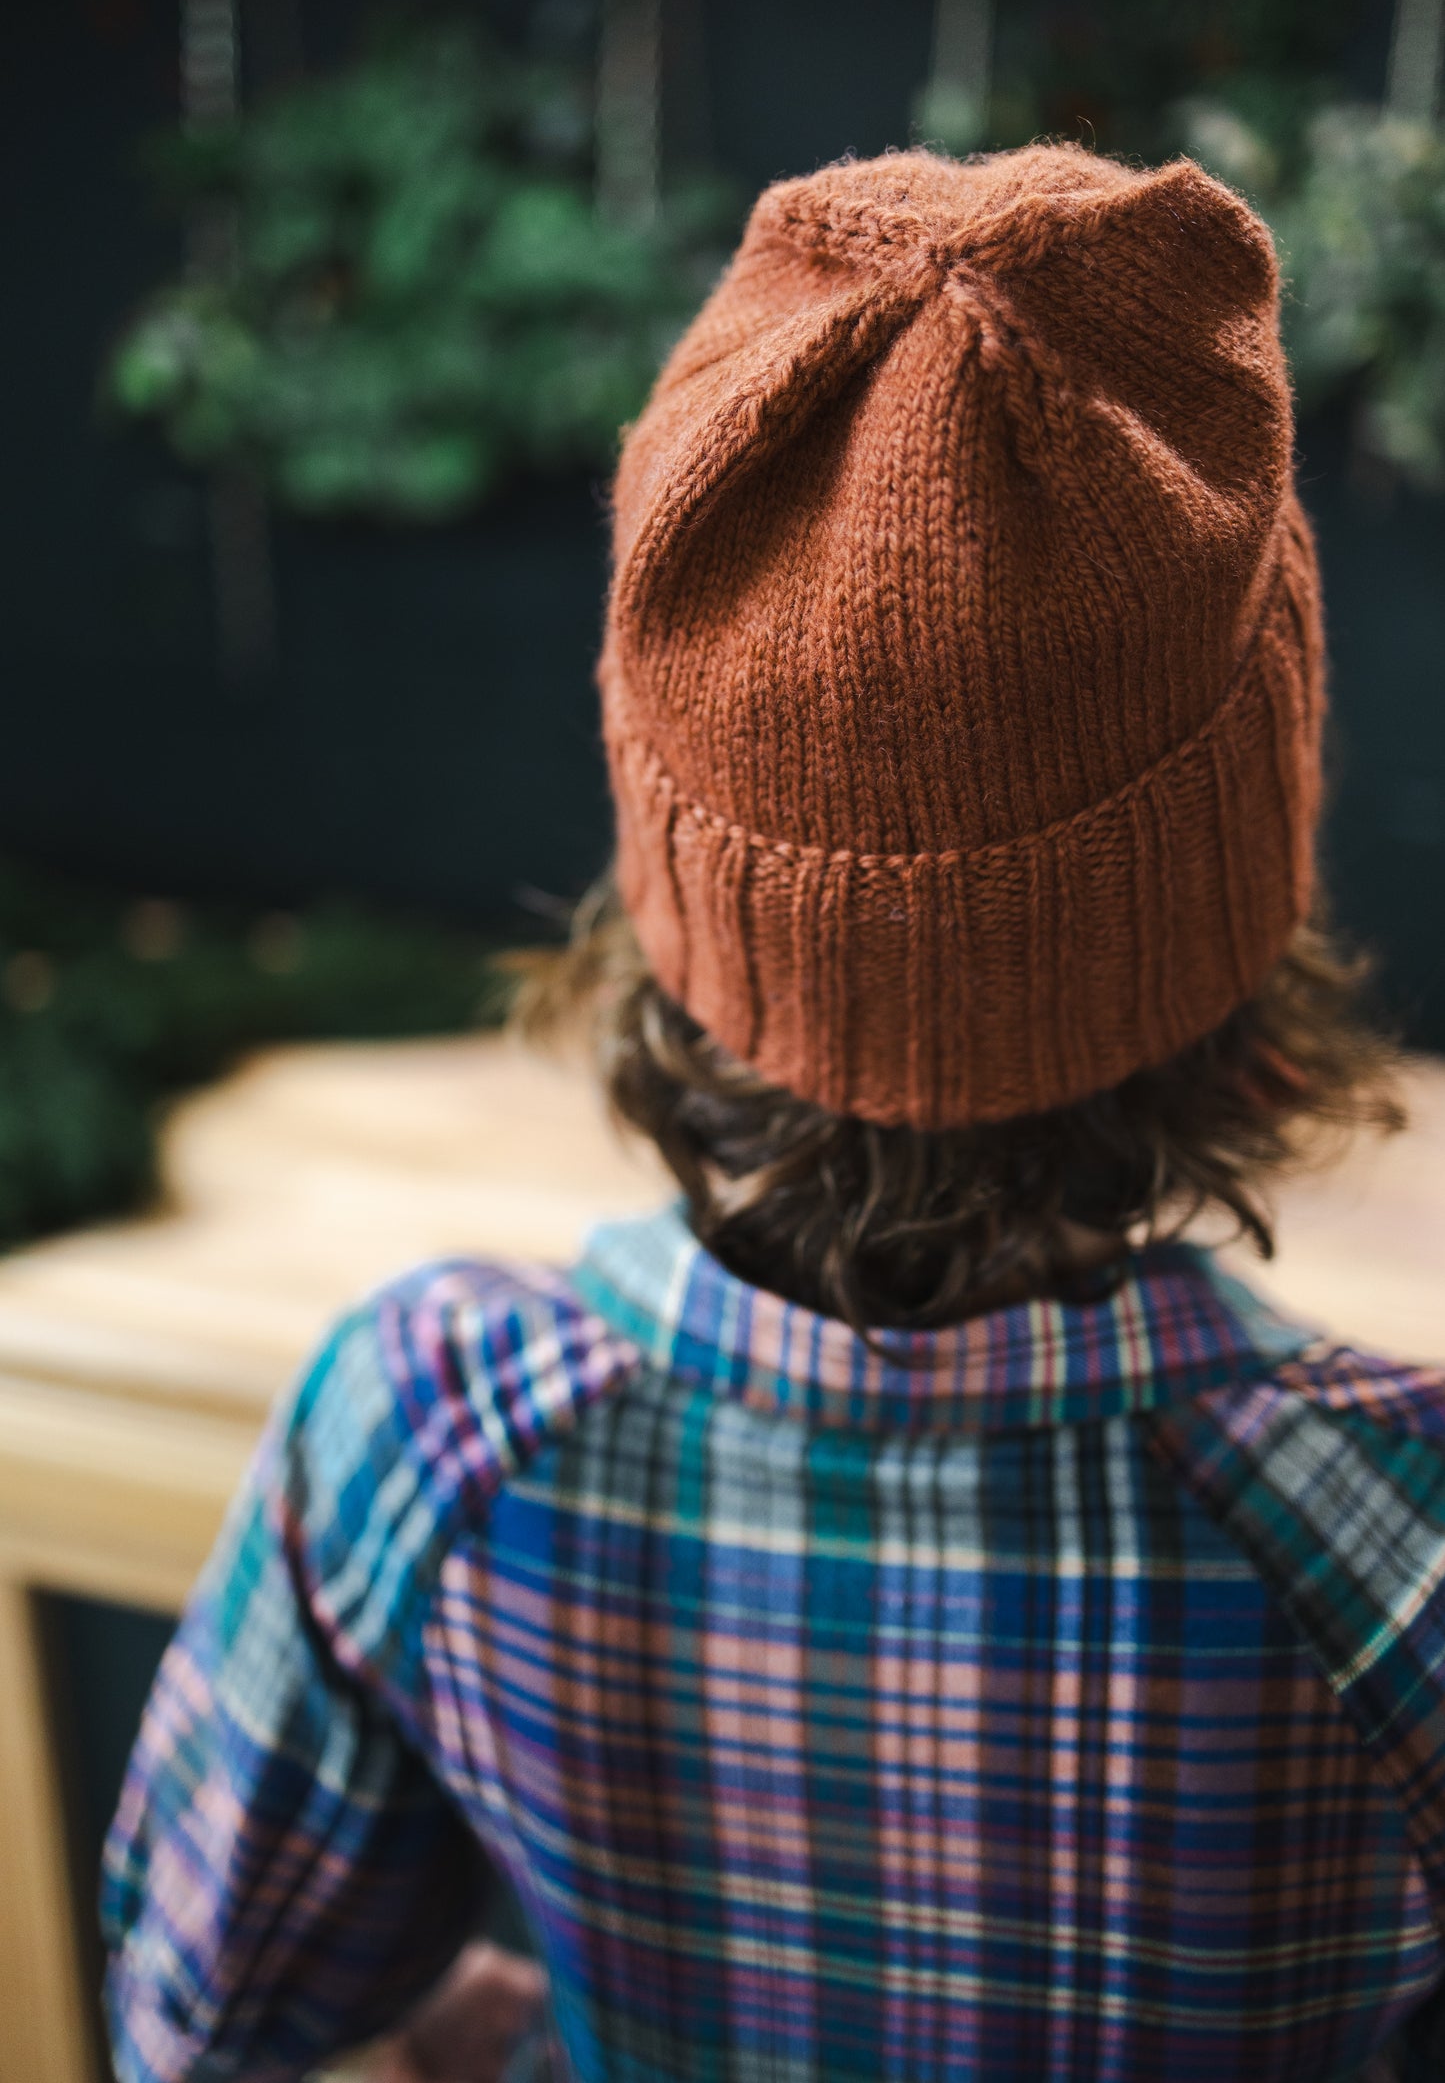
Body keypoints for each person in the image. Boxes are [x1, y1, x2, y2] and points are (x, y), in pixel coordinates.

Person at [104, 144, 1445, 2083]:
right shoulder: (1389, 1550)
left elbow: (193, 2022)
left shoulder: (426, 1436)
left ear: (678, 881)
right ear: (1238, 892)